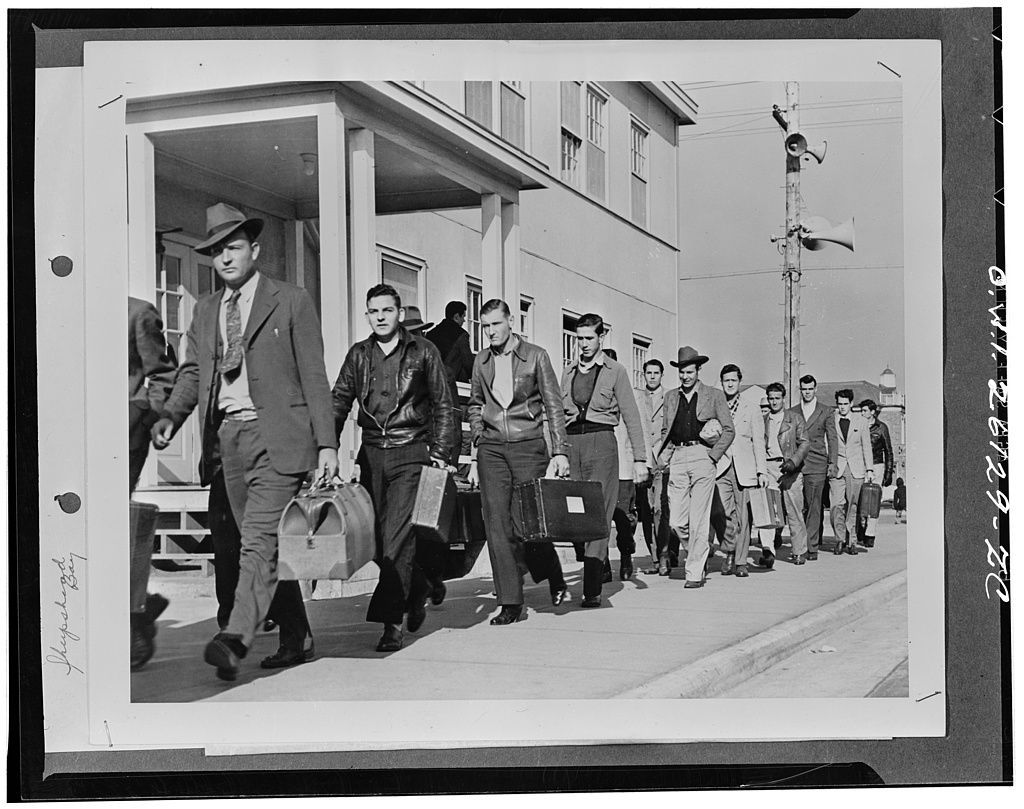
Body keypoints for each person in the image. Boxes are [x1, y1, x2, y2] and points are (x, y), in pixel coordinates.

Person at [152, 202, 339, 681]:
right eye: (216, 252)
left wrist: (327, 445)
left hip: (278, 437)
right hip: (227, 440)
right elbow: (194, 371)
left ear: (254, 249)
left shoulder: (291, 300)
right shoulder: (208, 309)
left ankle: (236, 636)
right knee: (256, 544)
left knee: (258, 538)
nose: (225, 259)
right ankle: (298, 634)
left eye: (232, 248)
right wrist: (173, 414)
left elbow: (314, 377)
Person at [331, 284, 457, 652]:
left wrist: (441, 452)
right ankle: (418, 586)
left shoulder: (424, 351)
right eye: (374, 311)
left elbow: (444, 403)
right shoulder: (359, 355)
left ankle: (391, 623)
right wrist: (326, 448)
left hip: (410, 452)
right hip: (370, 456)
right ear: (368, 315)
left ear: (399, 313)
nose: (381, 317)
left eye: (387, 310)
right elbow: (338, 401)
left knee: (398, 538)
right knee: (375, 541)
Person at [466, 299, 570, 625]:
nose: (491, 332)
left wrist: (561, 451)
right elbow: (474, 403)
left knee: (528, 524)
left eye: (496, 324)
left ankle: (551, 570)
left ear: (510, 321)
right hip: (492, 449)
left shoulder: (536, 356)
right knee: (496, 524)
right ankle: (510, 602)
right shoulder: (480, 361)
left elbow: (554, 406)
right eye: (485, 326)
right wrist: (477, 443)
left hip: (529, 446)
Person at [567, 342, 650, 593]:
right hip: (593, 458)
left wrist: (640, 461)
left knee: (623, 521)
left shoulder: (624, 396)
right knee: (590, 517)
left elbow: (638, 427)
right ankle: (600, 563)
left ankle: (625, 556)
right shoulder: (588, 400)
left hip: (622, 469)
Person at [656, 346, 734, 588]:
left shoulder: (714, 395)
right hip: (678, 458)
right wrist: (663, 457)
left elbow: (729, 430)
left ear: (698, 371)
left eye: (690, 372)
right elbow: (665, 431)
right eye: (681, 372)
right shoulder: (670, 397)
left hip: (703, 457)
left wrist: (712, 456)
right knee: (676, 520)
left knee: (699, 517)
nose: (685, 377)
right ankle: (699, 550)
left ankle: (694, 572)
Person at [128, 297, 177, 670]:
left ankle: (131, 619)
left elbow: (162, 373)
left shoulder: (138, 313)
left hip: (122, 438)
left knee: (114, 529)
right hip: (69, 436)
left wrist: (144, 414)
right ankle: (139, 608)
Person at [711, 364, 768, 578]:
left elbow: (758, 443)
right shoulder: (716, 406)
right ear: (721, 382)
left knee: (744, 517)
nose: (730, 384)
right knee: (722, 514)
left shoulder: (751, 408)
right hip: (721, 467)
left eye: (733, 380)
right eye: (726, 380)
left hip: (745, 468)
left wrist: (762, 471)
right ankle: (729, 550)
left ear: (739, 381)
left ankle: (741, 561)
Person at [758, 382, 810, 567]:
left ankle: (799, 551)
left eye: (777, 398)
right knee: (768, 511)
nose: (774, 402)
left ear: (783, 398)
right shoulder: (763, 420)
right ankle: (768, 551)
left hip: (790, 469)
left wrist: (794, 462)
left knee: (794, 511)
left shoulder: (795, 419)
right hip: (768, 468)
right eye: (770, 399)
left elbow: (804, 443)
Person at [788, 375, 837, 561]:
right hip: (797, 464)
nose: (807, 392)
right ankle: (800, 544)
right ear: (800, 390)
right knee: (798, 507)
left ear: (815, 389)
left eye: (810, 389)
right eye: (804, 389)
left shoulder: (826, 411)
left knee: (814, 506)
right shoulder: (792, 412)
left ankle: (812, 546)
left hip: (817, 463)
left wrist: (832, 463)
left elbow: (832, 439)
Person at [635, 359, 673, 575]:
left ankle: (665, 554)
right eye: (648, 373)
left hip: (661, 460)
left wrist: (665, 456)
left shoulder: (669, 396)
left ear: (661, 375)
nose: (652, 376)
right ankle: (654, 559)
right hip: (642, 461)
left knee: (660, 509)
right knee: (646, 512)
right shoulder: (637, 397)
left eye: (656, 373)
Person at [829, 390, 874, 555]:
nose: (842, 407)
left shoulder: (861, 421)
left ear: (851, 404)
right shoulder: (831, 420)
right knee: (836, 506)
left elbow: (866, 446)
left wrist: (869, 469)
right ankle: (839, 539)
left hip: (856, 469)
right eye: (839, 404)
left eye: (845, 404)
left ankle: (852, 541)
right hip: (837, 468)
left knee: (853, 506)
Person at [859, 399, 895, 487]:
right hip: (860, 466)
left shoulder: (881, 428)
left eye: (865, 411)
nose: (862, 413)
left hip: (877, 466)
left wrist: (888, 473)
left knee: (875, 496)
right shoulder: (858, 426)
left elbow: (888, 451)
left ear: (872, 412)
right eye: (861, 411)